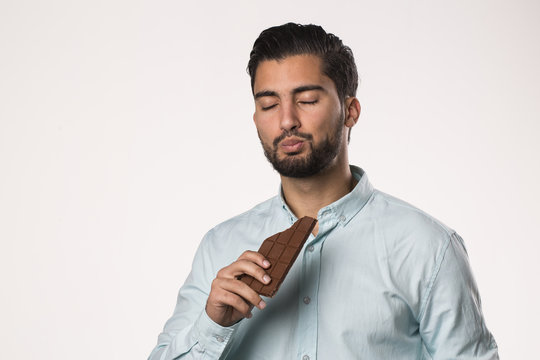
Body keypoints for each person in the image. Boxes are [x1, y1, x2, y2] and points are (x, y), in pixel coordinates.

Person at [148, 23, 499, 360]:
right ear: (255, 117)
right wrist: (212, 325)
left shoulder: (427, 247)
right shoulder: (219, 247)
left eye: (308, 100)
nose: (286, 120)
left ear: (350, 111)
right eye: (269, 105)